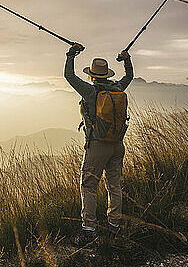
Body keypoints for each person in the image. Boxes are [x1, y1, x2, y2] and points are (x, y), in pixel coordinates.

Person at [64, 43, 133, 245]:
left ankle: (88, 229)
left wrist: (71, 54)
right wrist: (127, 60)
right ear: (107, 74)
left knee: (89, 185)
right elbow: (129, 77)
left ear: (92, 75)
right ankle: (114, 226)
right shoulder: (118, 88)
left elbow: (69, 75)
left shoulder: (91, 92)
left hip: (97, 146)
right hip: (118, 145)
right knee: (114, 185)